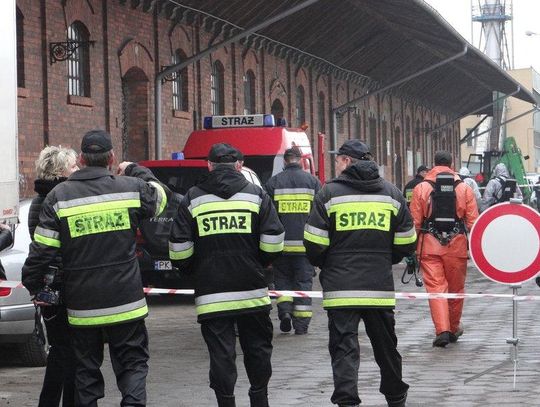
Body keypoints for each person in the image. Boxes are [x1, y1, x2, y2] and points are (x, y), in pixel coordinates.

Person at [22, 129, 168, 407]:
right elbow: (161, 197)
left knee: (85, 375)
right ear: (112, 158)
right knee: (133, 365)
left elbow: (41, 251)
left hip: (83, 307)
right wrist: (137, 171)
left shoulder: (59, 198)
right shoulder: (130, 187)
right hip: (127, 302)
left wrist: (33, 284)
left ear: (81, 158)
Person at [169, 143, 284, 407]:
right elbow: (274, 240)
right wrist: (261, 262)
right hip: (252, 291)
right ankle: (259, 399)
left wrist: (193, 271)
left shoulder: (193, 198)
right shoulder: (256, 195)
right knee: (257, 349)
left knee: (221, 354)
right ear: (240, 166)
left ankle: (226, 402)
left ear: (208, 165)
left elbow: (179, 248)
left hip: (212, 293)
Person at [304, 139, 415, 407]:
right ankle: (396, 397)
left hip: (341, 289)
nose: (337, 163)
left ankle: (347, 401)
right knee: (386, 347)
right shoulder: (391, 193)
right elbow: (407, 240)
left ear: (348, 161)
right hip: (378, 286)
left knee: (344, 348)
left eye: (339, 159)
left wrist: (326, 264)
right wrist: (386, 259)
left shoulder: (328, 194)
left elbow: (314, 241)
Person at [410, 151, 478, 348]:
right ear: (452, 163)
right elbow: (473, 222)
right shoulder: (464, 188)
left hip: (429, 245)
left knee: (436, 288)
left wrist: (412, 248)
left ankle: (442, 330)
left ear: (433, 164)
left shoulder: (421, 187)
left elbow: (414, 222)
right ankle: (454, 327)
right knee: (456, 289)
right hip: (456, 245)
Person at [29, 146, 79, 407]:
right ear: (60, 171)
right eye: (73, 167)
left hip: (50, 289)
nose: (78, 170)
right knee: (69, 354)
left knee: (61, 352)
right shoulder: (61, 199)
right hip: (64, 287)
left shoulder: (39, 200)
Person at [264, 147, 321, 335]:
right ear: (301, 160)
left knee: (283, 282)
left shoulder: (273, 183)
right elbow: (319, 215)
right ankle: (301, 325)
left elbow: (267, 216)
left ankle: (285, 313)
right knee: (303, 284)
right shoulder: (313, 182)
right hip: (305, 247)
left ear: (285, 161)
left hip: (281, 246)